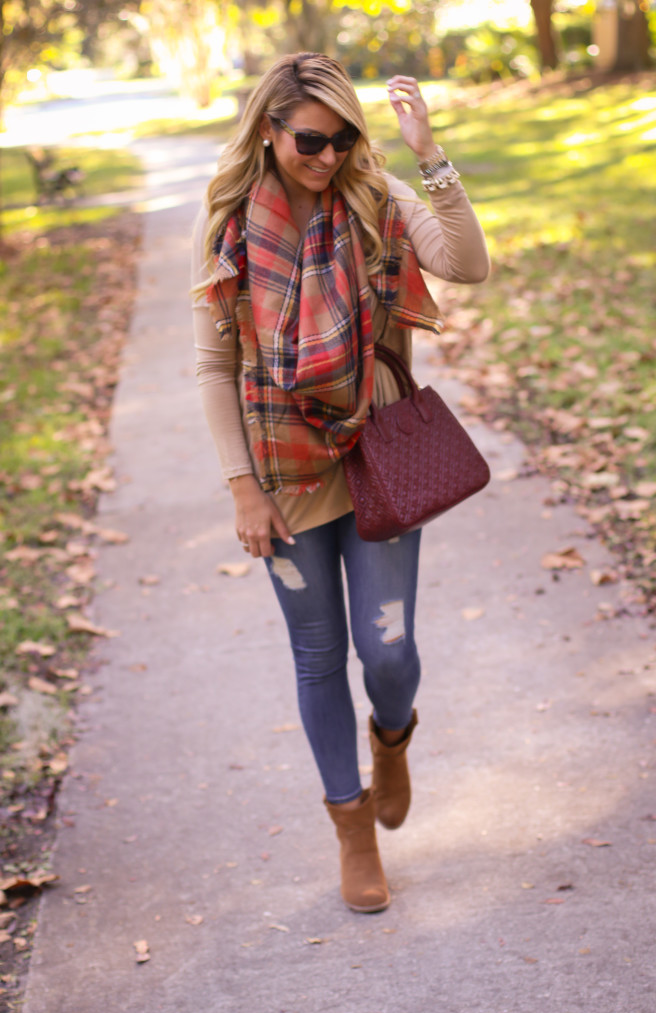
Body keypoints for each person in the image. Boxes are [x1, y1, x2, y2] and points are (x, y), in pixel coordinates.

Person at [191, 52, 489, 913]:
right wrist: (240, 485)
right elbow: (214, 366)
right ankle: (351, 828)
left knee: (386, 652)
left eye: (343, 139)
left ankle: (391, 737)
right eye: (310, 142)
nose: (327, 158)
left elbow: (467, 265)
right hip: (281, 469)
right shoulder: (230, 227)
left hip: (374, 451)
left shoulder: (374, 198)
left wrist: (426, 152)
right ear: (269, 132)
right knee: (318, 654)